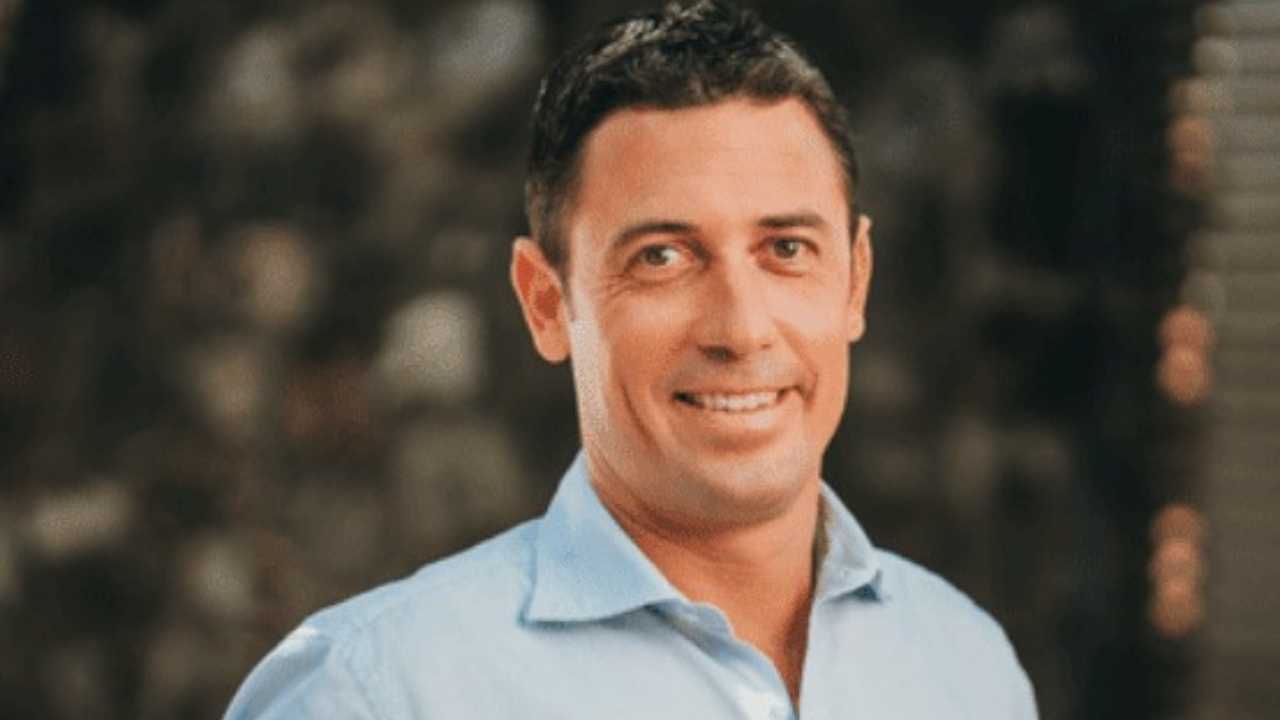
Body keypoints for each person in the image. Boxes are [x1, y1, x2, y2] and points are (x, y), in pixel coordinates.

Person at [225, 1, 1038, 717]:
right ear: (546, 303)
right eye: (662, 258)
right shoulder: (372, 694)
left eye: (787, 249)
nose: (741, 329)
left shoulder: (965, 665)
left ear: (855, 282)